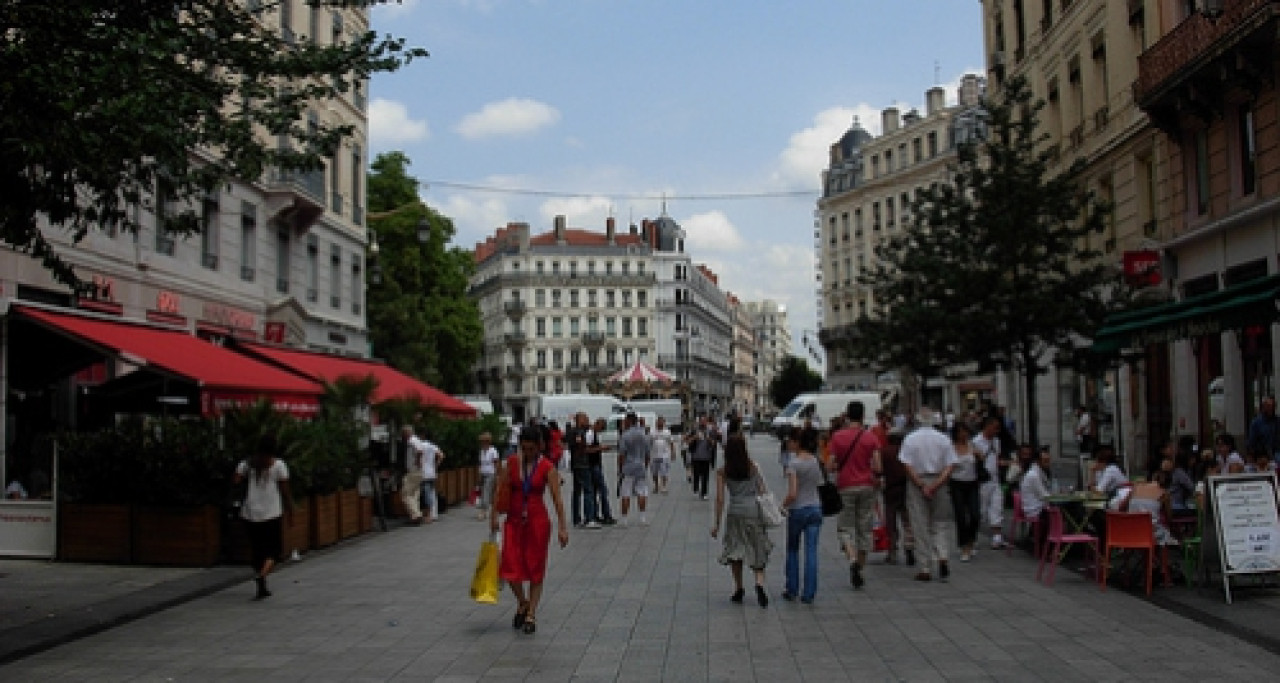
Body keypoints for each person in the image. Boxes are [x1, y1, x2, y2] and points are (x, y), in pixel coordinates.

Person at [491, 426, 569, 635]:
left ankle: (531, 613)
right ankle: (523, 601)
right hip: (514, 521)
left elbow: (557, 500)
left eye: (532, 449)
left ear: (540, 446)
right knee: (509, 566)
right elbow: (501, 489)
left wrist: (562, 527)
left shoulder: (547, 467)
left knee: (535, 568)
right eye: (524, 449)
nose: (528, 453)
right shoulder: (513, 464)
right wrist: (494, 516)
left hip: (537, 522)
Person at [711, 433, 772, 607]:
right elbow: (762, 490)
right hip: (753, 510)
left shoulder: (723, 471)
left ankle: (738, 587)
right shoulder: (753, 467)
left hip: (735, 512)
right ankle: (759, 583)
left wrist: (716, 523)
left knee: (735, 549)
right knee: (756, 547)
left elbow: (720, 499)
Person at [233, 434, 293, 600]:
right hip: (271, 513)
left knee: (257, 550)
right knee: (274, 550)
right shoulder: (278, 465)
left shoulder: (247, 464)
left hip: (250, 512)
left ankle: (262, 582)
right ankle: (262, 576)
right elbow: (285, 491)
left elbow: (236, 480)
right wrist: (290, 510)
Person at [899, 411, 957, 582]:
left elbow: (906, 464)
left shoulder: (910, 439)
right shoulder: (943, 439)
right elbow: (950, 465)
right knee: (940, 523)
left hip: (918, 480)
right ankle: (943, 555)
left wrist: (921, 485)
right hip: (939, 480)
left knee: (920, 524)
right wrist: (937, 484)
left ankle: (925, 566)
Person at [828, 400, 878, 590]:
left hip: (845, 486)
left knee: (845, 527)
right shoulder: (870, 437)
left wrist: (839, 466)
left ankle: (852, 559)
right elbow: (878, 466)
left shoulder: (838, 437)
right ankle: (861, 568)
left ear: (847, 415)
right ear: (863, 415)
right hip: (866, 486)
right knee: (864, 528)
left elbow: (830, 465)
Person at [780, 431, 822, 603]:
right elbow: (819, 484)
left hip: (798, 510)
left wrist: (782, 505)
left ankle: (792, 588)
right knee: (811, 551)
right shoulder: (815, 461)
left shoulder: (793, 464)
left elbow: (793, 493)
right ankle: (809, 592)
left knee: (792, 549)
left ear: (798, 443)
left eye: (791, 441)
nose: (789, 444)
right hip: (815, 508)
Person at [879, 429, 915, 566]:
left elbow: (879, 470)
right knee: (907, 520)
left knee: (891, 521)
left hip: (890, 489)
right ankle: (909, 547)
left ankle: (892, 550)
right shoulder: (906, 452)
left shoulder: (884, 451)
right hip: (905, 488)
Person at [972, 415, 1007, 550]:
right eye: (994, 428)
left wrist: (1006, 464)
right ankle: (973, 537)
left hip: (995, 479)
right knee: (981, 510)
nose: (996, 431)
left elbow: (996, 459)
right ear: (987, 426)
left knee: (997, 506)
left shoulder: (996, 441)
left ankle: (997, 537)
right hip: (982, 481)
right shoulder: (976, 441)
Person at [948, 422, 981, 562]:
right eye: (960, 432)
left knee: (975, 514)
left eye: (965, 431)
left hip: (972, 483)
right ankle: (964, 546)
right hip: (957, 484)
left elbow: (981, 459)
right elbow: (947, 466)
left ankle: (971, 540)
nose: (963, 435)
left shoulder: (972, 445)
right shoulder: (951, 448)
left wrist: (979, 456)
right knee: (960, 516)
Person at [617, 412, 651, 526]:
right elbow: (647, 454)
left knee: (626, 492)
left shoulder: (625, 435)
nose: (624, 423)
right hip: (640, 466)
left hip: (629, 466)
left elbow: (622, 454)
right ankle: (642, 518)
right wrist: (645, 466)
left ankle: (624, 519)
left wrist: (620, 468)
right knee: (642, 491)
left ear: (630, 421)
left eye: (625, 420)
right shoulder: (644, 435)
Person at [566, 413, 598, 529]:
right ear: (580, 420)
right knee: (588, 490)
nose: (588, 421)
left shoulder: (571, 431)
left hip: (575, 464)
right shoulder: (579, 432)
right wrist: (590, 448)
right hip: (582, 464)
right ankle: (589, 518)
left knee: (576, 491)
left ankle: (576, 518)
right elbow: (581, 447)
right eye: (586, 419)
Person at [1019, 446, 1053, 551]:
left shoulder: (1039, 472)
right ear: (1038, 461)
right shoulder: (1034, 475)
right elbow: (1044, 496)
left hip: (1037, 506)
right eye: (1045, 461)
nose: (1048, 463)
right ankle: (1048, 545)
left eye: (1048, 460)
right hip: (1035, 509)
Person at [589, 417, 617, 525]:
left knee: (595, 491)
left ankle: (596, 514)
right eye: (602, 428)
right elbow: (587, 449)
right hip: (593, 466)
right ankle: (606, 514)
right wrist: (600, 448)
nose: (602, 430)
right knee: (602, 491)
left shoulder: (594, 434)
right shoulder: (591, 434)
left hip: (596, 465)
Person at [685, 415, 720, 500]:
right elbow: (687, 441)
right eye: (702, 421)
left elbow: (713, 443)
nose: (703, 423)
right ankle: (696, 487)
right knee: (696, 474)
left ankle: (704, 492)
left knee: (705, 476)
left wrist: (708, 438)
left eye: (705, 421)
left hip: (706, 457)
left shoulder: (710, 431)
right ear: (699, 422)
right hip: (696, 456)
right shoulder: (694, 430)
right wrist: (695, 437)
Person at [400, 425, 426, 525]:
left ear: (407, 433)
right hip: (418, 471)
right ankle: (416, 514)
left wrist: (417, 461)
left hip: (413, 470)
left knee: (406, 494)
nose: (402, 435)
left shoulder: (412, 440)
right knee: (415, 493)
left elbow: (419, 451)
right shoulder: (416, 440)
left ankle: (416, 515)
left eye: (403, 433)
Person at [418, 428, 445, 523]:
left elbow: (419, 455)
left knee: (426, 493)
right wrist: (436, 465)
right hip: (432, 472)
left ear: (422, 436)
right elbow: (441, 455)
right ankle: (434, 513)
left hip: (424, 472)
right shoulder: (433, 446)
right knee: (431, 492)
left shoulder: (421, 445)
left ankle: (428, 515)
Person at [1247, 396, 1280, 467]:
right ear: (1263, 407)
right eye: (1267, 406)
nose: (1270, 408)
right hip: (1262, 454)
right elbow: (1252, 441)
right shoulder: (1256, 423)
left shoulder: (1277, 421)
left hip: (1276, 451)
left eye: (1272, 406)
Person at [649, 416, 677, 494]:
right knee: (654, 472)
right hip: (654, 455)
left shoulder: (667, 432)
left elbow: (671, 443)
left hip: (665, 455)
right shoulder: (652, 432)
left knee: (664, 472)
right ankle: (656, 485)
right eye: (658, 422)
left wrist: (673, 453)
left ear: (664, 423)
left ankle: (663, 486)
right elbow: (649, 443)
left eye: (661, 422)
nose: (660, 423)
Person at [477, 432, 500, 521]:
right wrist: (479, 475)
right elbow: (480, 463)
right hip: (483, 473)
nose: (482, 443)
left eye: (483, 441)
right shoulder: (482, 451)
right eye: (481, 442)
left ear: (487, 442)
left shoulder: (493, 450)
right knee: (484, 491)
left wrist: (497, 475)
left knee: (486, 491)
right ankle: (488, 509)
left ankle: (483, 510)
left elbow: (496, 462)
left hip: (490, 473)